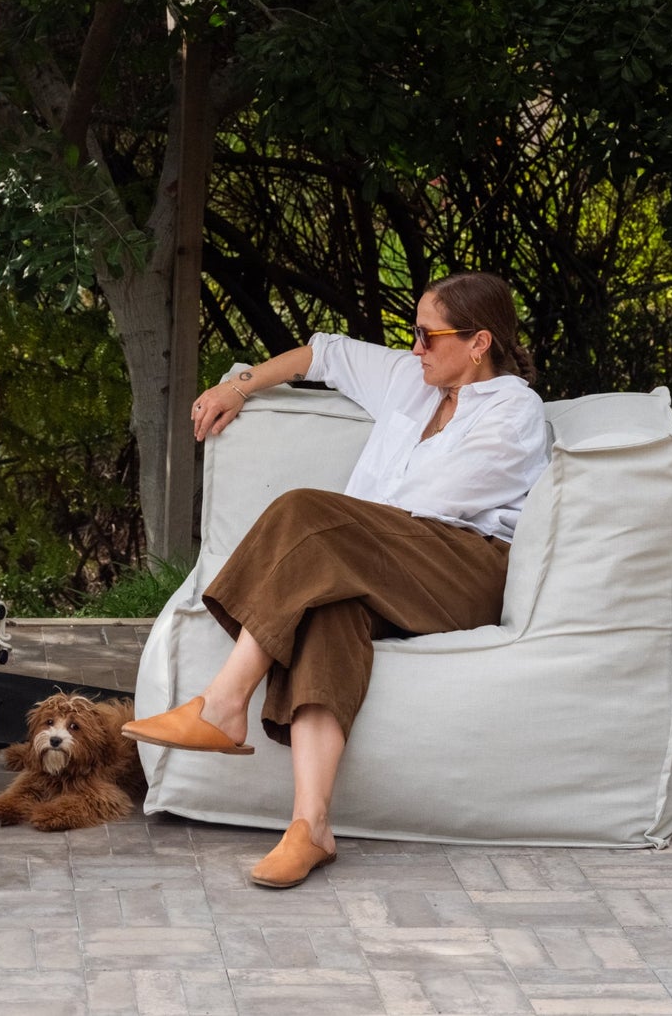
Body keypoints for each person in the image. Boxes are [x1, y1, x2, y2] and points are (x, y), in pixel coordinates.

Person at [121, 271, 552, 888]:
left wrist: (336, 533)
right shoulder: (411, 381)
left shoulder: (515, 411)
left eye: (429, 337)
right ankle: (311, 827)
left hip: (462, 570)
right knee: (327, 610)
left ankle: (222, 705)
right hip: (381, 561)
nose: (416, 349)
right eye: (414, 333)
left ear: (479, 342)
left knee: (307, 512)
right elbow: (323, 352)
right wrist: (238, 386)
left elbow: (429, 505)